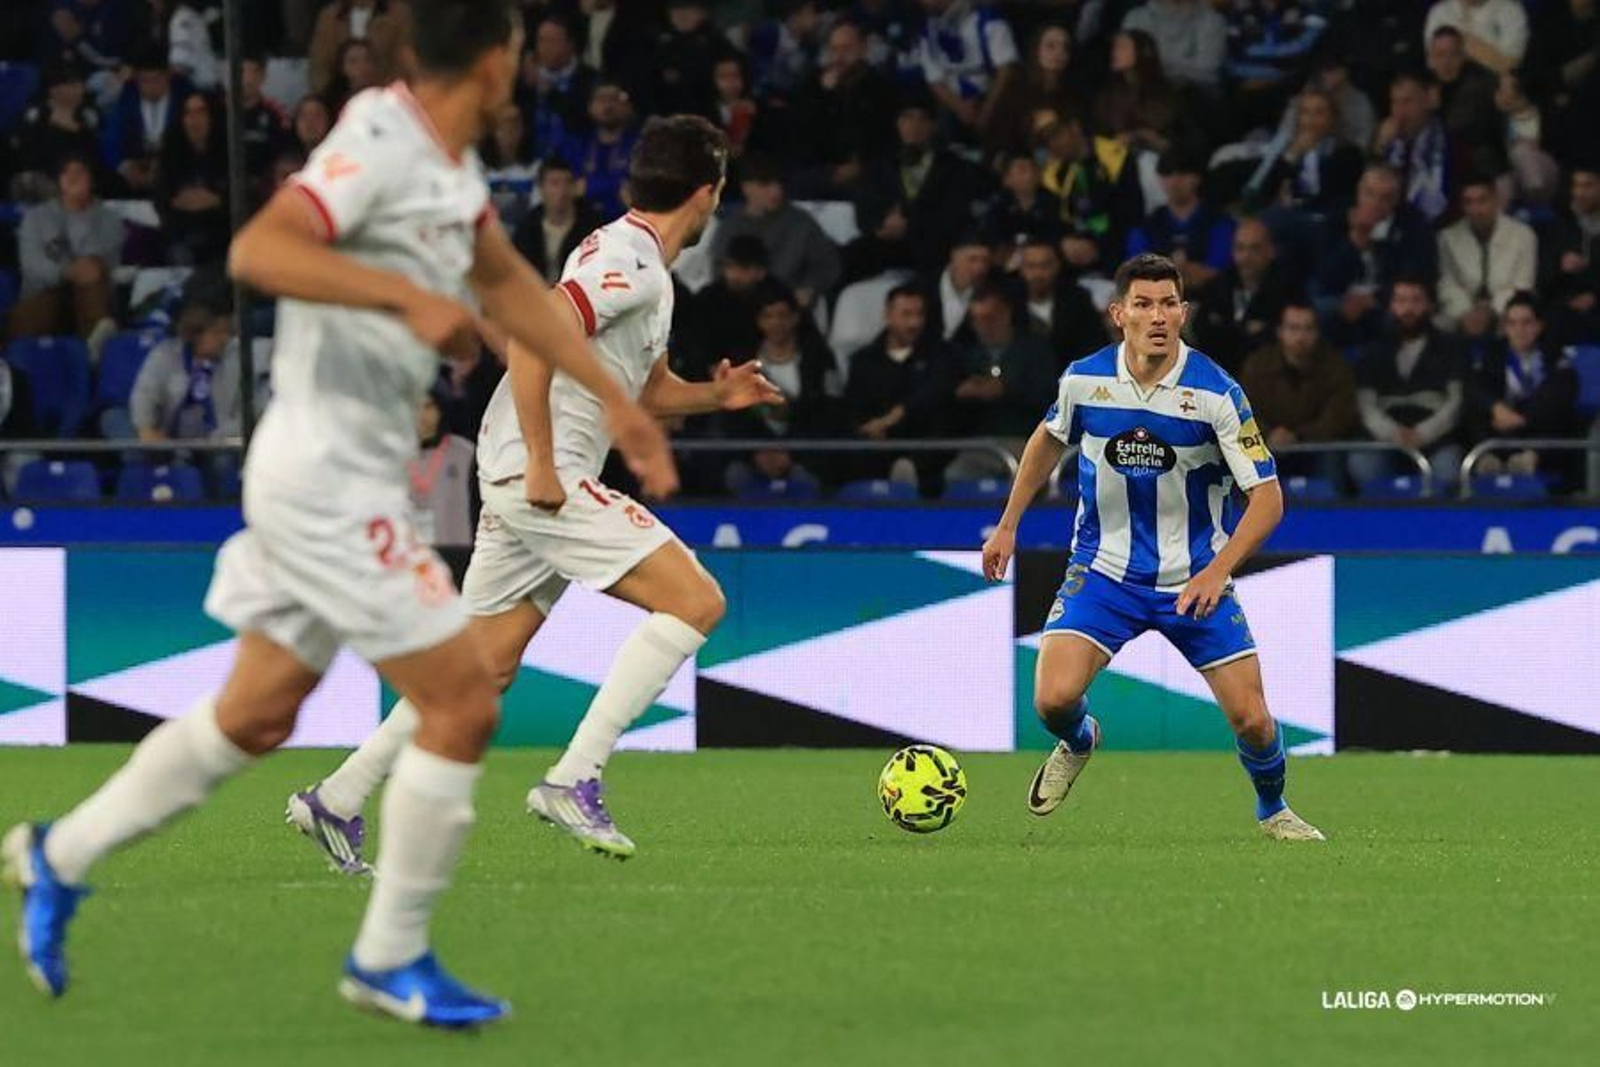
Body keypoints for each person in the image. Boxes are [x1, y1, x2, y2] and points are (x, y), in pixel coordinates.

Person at [4, 0, 674, 1026]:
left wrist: (624, 407)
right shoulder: (381, 135)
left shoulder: (449, 174)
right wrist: (403, 301)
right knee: (462, 697)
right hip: (327, 473)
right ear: (496, 64)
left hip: (335, 470)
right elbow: (262, 252)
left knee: (257, 712)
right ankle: (389, 954)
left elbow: (516, 293)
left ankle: (58, 853)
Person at [288, 115, 779, 865]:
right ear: (707, 193)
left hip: (522, 471)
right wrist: (546, 463)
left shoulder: (641, 265)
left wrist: (718, 399)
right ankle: (574, 778)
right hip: (539, 473)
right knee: (697, 600)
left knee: (483, 665)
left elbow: (643, 391)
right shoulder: (630, 263)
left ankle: (338, 797)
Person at [980, 253, 1324, 842]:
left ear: (1184, 312)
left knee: (1254, 720)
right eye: (1143, 303)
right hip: (1105, 572)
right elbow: (1046, 438)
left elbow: (1268, 500)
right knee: (1052, 700)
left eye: (1168, 303)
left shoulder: (1217, 393)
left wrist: (1217, 571)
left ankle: (1274, 810)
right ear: (1119, 314)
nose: (1157, 316)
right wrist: (1009, 522)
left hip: (1193, 580)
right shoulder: (1085, 379)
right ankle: (1081, 738)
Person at [1351, 278, 1467, 489]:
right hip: (1384, 437)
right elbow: (1365, 405)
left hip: (1436, 437)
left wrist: (1422, 434)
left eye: (1416, 301)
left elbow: (1456, 402)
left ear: (1429, 305)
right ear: (1392, 306)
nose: (1408, 309)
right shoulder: (1374, 351)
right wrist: (1393, 434)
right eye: (1401, 301)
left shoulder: (1450, 347)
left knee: (1448, 468)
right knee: (1362, 464)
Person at [1465, 292, 1585, 483]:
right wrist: (1496, 407)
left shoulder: (1553, 352)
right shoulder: (1493, 352)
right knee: (1473, 413)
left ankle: (1529, 460)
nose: (1519, 329)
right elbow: (1474, 386)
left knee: (1562, 418)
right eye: (1512, 323)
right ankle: (1486, 460)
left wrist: (1524, 418)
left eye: (1526, 322)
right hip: (1499, 427)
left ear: (1539, 325)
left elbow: (1564, 390)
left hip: (1538, 428)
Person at [945, 282, 1058, 480]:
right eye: (977, 320)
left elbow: (1049, 395)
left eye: (990, 318)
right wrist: (963, 393)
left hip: (1027, 440)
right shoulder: (966, 355)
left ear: (1006, 314)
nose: (984, 326)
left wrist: (1006, 390)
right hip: (981, 444)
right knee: (957, 474)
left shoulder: (1034, 350)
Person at [1237, 301, 1358, 482]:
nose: (1301, 336)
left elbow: (1338, 417)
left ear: (1317, 333)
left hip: (1319, 447)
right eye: (1294, 328)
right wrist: (1269, 434)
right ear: (1280, 332)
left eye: (1308, 329)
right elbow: (1243, 412)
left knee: (1332, 460)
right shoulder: (1257, 366)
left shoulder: (1335, 366)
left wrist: (1298, 436)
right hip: (1266, 444)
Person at [9, 156, 121, 342]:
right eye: (66, 173)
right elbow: (31, 265)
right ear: (58, 180)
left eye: (79, 172)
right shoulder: (35, 217)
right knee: (43, 307)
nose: (72, 177)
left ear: (90, 179)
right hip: (44, 292)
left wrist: (79, 213)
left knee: (92, 271)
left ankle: (97, 348)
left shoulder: (109, 218)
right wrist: (64, 272)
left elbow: (103, 263)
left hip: (90, 294)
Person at [709, 155, 840, 310]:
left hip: (786, 307)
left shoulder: (799, 222)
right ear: (746, 187)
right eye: (765, 184)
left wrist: (809, 286)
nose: (776, 191)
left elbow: (828, 264)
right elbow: (719, 272)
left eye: (779, 183)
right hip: (739, 307)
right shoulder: (730, 227)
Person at [1189, 219, 1296, 372]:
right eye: (1240, 248)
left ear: (1270, 251)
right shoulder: (1217, 286)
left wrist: (1229, 329)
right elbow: (1203, 332)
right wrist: (1245, 330)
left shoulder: (1287, 287)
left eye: (1255, 249)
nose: (1246, 256)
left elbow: (1279, 338)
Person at [1436, 175, 1537, 337]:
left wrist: (1491, 311)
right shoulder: (1447, 237)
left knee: (1517, 324)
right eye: (1468, 202)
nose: (1476, 209)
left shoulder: (1523, 235)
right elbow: (1447, 283)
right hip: (1463, 312)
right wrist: (1465, 312)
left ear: (1496, 200)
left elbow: (1523, 284)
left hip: (1507, 310)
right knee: (1438, 326)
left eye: (1482, 201)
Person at [510, 157, 602, 283]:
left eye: (568, 182)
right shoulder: (527, 227)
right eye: (554, 183)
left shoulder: (592, 226)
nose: (562, 190)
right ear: (541, 188)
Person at [410, 386, 476, 547]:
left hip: (457, 548)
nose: (422, 415)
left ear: (441, 410)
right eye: (415, 407)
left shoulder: (464, 452)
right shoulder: (394, 452)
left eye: (428, 407)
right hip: (409, 552)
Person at [308, 0, 413, 97]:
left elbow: (404, 63)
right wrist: (329, 97)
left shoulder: (399, 14)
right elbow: (319, 65)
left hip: (385, 97)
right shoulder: (329, 16)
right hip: (339, 100)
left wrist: (386, 95)